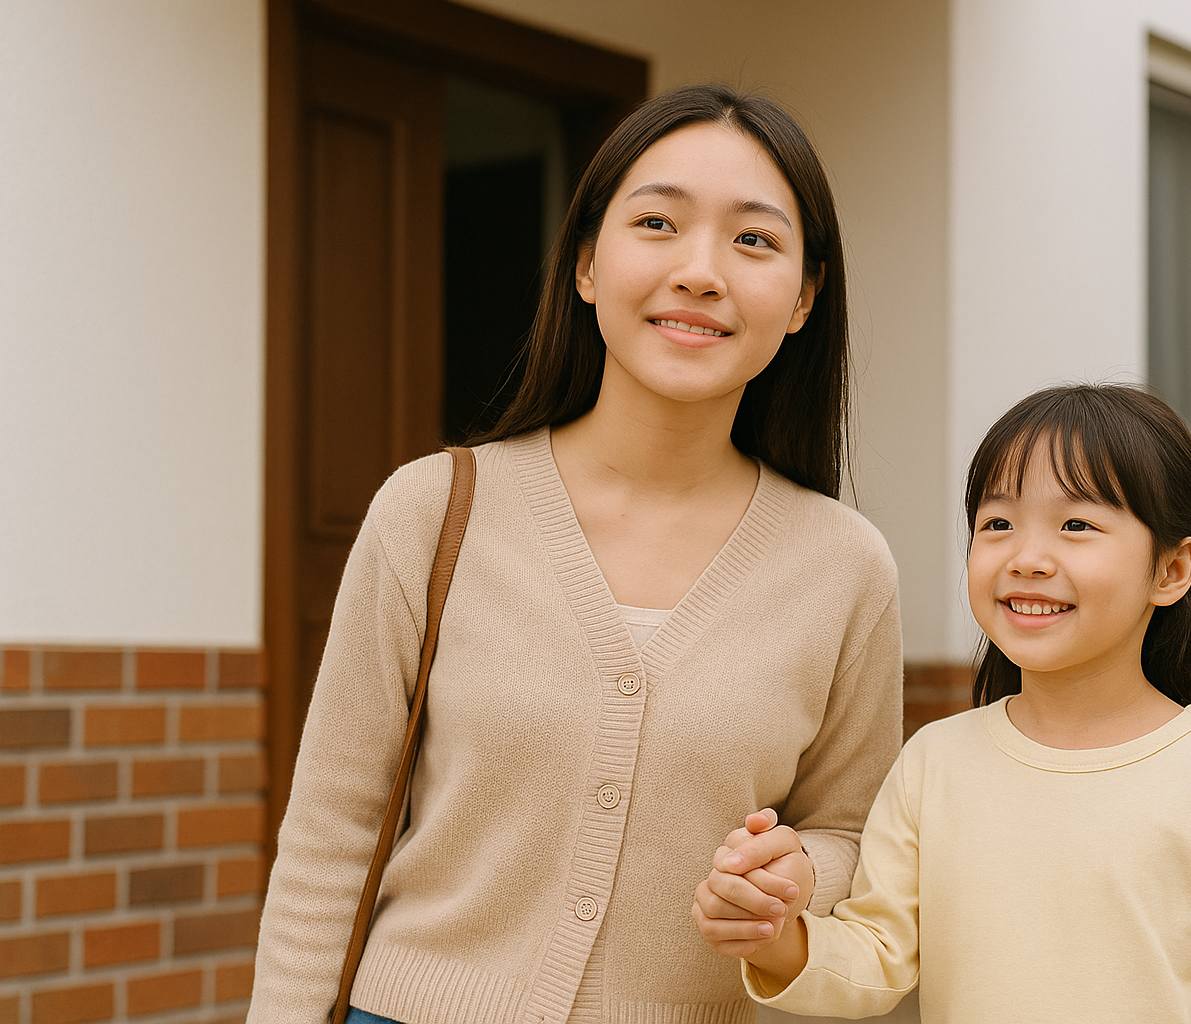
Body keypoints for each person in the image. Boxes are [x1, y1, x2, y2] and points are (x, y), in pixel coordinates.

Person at [249, 83, 904, 1024]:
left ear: (803, 299)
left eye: (754, 239)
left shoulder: (846, 568)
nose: (700, 272)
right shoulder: (432, 511)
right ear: (588, 263)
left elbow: (850, 835)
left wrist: (798, 871)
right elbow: (330, 834)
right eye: (657, 223)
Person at [694, 384, 1191, 1023]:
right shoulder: (935, 762)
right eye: (998, 524)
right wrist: (772, 934)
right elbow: (877, 956)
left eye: (1076, 525)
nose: (1027, 559)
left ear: (1171, 570)